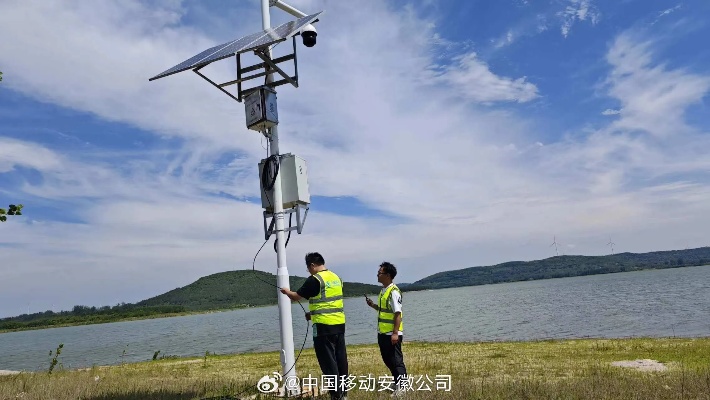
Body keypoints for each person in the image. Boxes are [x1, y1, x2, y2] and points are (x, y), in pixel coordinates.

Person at [281, 252, 349, 400]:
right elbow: (329, 302)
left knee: (328, 363)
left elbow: (296, 296)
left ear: (312, 265)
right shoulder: (336, 278)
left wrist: (286, 291)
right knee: (341, 359)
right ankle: (344, 393)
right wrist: (312, 314)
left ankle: (336, 396)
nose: (308, 271)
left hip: (323, 328)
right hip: (339, 324)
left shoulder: (315, 280)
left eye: (308, 268)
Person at [365, 261, 408, 396]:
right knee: (387, 359)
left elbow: (397, 313)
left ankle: (403, 386)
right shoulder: (383, 291)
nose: (377, 275)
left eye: (380, 273)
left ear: (388, 275)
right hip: (383, 332)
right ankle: (397, 381)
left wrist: (395, 333)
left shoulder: (393, 292)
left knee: (396, 360)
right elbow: (384, 310)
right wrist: (373, 305)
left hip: (391, 333)